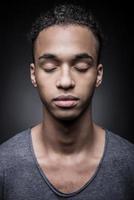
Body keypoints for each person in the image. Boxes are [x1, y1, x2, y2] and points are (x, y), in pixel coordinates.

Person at [0, 3, 134, 200]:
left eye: (80, 66)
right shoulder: (3, 165)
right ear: (33, 74)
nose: (65, 81)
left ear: (98, 75)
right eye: (50, 66)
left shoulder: (130, 164)